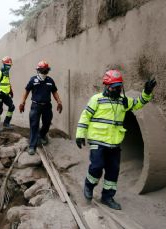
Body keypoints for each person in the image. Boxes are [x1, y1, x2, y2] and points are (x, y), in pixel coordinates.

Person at [75, 69, 157, 210]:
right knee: (96, 166)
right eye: (114, 87)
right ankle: (89, 185)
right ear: (107, 86)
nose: (117, 90)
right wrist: (80, 134)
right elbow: (85, 116)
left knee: (113, 171)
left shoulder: (123, 101)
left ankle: (107, 197)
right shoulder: (97, 99)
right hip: (97, 141)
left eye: (119, 87)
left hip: (114, 143)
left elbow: (139, 103)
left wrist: (147, 92)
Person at [19, 60, 63, 155]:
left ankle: (42, 135)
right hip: (35, 106)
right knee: (34, 125)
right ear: (38, 70)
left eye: (46, 70)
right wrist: (22, 102)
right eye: (43, 70)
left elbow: (54, 92)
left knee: (47, 122)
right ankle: (32, 146)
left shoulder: (50, 80)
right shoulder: (33, 80)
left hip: (47, 106)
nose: (44, 72)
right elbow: (26, 91)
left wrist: (59, 101)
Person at [0, 56, 15, 131]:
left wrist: (11, 91)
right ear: (4, 64)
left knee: (12, 107)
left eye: (10, 65)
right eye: (7, 65)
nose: (9, 67)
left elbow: (7, 83)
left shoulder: (7, 73)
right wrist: (1, 92)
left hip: (6, 94)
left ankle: (6, 123)